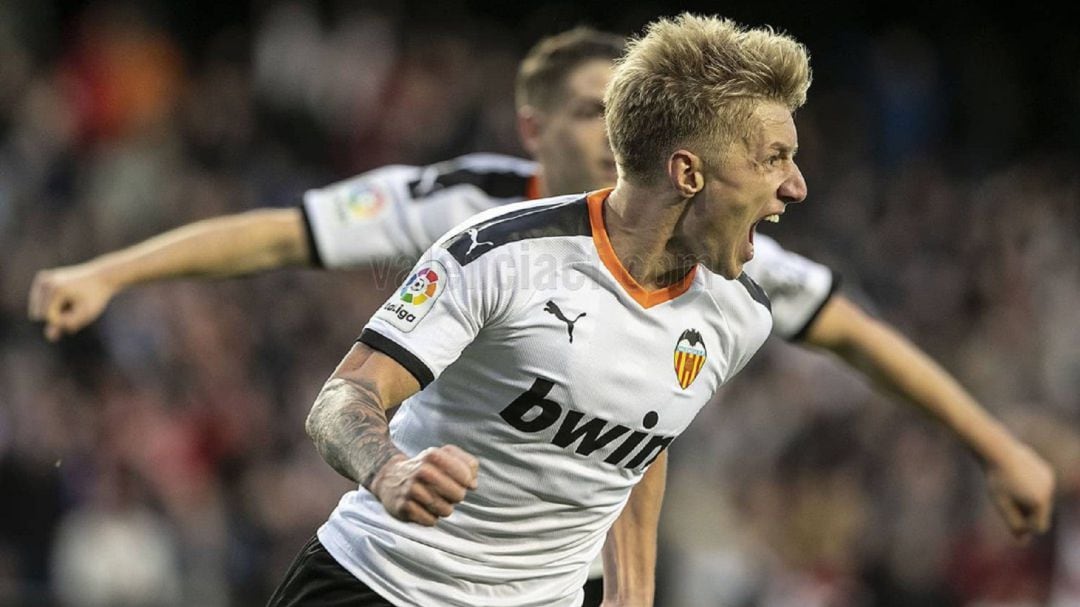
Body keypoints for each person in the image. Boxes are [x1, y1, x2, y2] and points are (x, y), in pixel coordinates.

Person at [29, 19, 1054, 607]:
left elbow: (644, 421)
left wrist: (998, 448)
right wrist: (387, 466)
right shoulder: (485, 234)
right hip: (379, 587)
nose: (796, 188)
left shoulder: (740, 295)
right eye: (773, 158)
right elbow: (341, 395)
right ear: (687, 167)